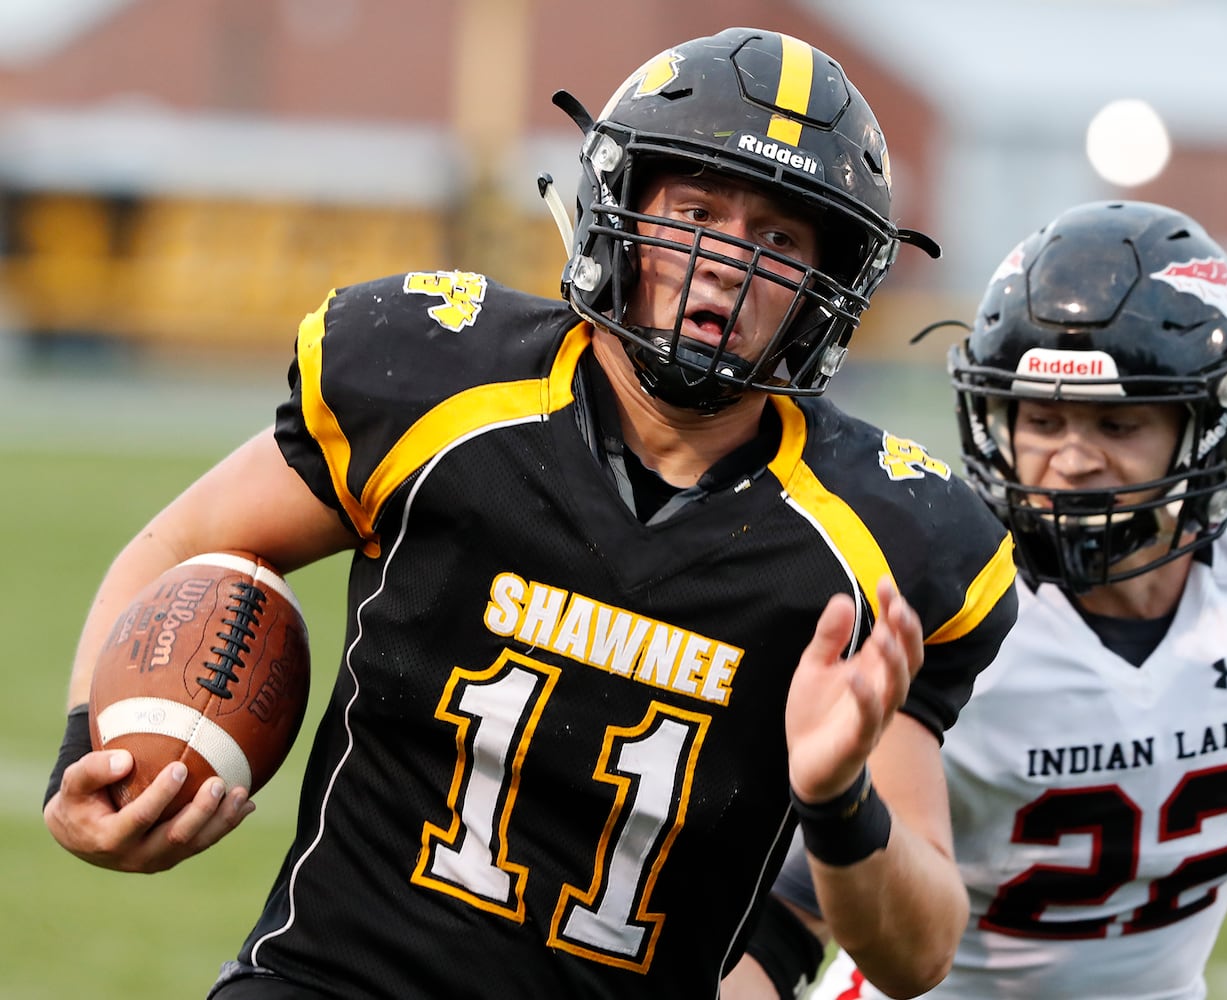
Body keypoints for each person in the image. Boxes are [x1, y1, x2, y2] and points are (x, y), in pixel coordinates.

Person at [41, 27, 1018, 1000]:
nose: (726, 261)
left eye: (776, 238)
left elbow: (916, 952)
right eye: (696, 210)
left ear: (828, 285)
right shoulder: (440, 386)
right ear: (620, 205)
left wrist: (842, 799)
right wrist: (94, 752)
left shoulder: (881, 541)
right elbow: (184, 543)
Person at [728, 199, 1227, 999]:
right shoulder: (936, 595)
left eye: (1117, 425)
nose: (1069, 462)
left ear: (1208, 427)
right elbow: (781, 921)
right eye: (1043, 419)